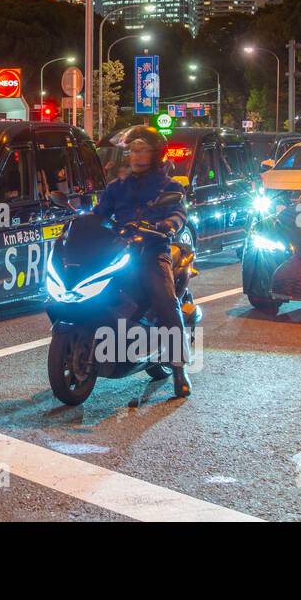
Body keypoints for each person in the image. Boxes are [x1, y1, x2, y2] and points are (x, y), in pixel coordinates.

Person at [91, 125, 193, 398]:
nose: (135, 156)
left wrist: (167, 225)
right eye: (132, 150)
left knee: (165, 300)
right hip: (118, 251)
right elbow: (99, 213)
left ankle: (179, 369)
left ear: (155, 153)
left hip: (152, 251)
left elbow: (179, 214)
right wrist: (81, 222)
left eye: (142, 150)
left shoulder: (169, 187)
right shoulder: (117, 187)